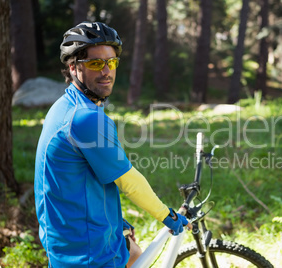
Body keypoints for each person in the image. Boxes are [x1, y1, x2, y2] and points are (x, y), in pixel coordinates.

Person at [34, 22, 189, 268]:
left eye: (112, 62)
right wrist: (167, 215)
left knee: (136, 254)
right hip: (87, 253)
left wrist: (116, 220)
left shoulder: (65, 107)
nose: (107, 71)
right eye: (96, 63)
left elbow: (76, 180)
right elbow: (129, 181)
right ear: (74, 68)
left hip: (67, 235)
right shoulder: (86, 119)